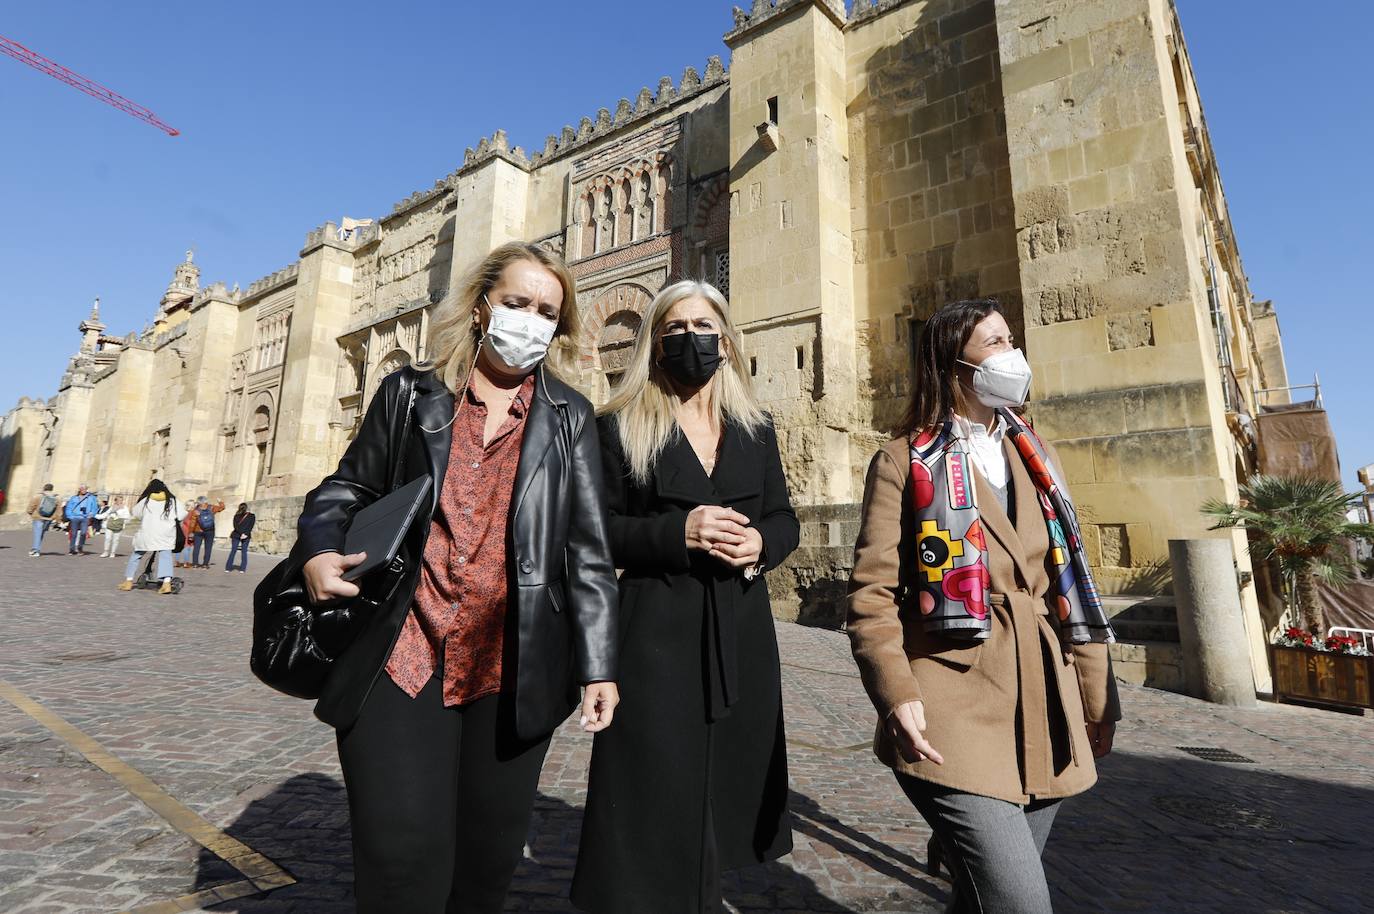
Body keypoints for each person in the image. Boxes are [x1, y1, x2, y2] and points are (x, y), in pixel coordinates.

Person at [284, 241, 619, 913]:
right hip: (402, 653)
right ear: (479, 307)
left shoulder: (569, 417)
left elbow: (587, 549)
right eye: (517, 303)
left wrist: (599, 664)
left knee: (485, 866)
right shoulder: (412, 396)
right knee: (401, 856)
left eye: (546, 311)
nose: (530, 321)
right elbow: (345, 487)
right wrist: (318, 550)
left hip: (514, 664)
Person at [846, 299, 1121, 914]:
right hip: (954, 701)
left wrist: (1097, 697)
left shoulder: (1036, 455)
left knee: (982, 900)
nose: (1012, 354)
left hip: (1046, 702)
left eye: (1010, 339)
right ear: (955, 364)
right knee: (1021, 902)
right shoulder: (902, 461)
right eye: (995, 343)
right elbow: (872, 593)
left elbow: (1070, 579)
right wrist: (897, 693)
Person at [572, 280, 799, 913]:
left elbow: (785, 519)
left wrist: (762, 546)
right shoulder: (618, 426)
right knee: (650, 794)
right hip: (653, 636)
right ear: (653, 342)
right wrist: (678, 531)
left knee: (723, 792)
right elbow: (593, 533)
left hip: (741, 636)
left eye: (702, 327)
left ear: (725, 341)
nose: (688, 339)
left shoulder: (755, 427)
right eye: (673, 329)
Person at [120, 479, 187, 595]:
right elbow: (182, 514)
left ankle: (128, 581)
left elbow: (136, 513)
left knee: (137, 555)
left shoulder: (146, 500)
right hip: (165, 533)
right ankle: (166, 583)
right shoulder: (172, 501)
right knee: (165, 556)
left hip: (148, 533)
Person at [191, 496, 226, 568]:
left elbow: (193, 522)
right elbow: (222, 508)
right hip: (210, 531)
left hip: (198, 531)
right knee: (208, 548)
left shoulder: (196, 510)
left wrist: (191, 532)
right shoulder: (211, 507)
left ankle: (195, 564)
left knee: (196, 548)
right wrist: (220, 501)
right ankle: (205, 564)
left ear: (198, 502)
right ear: (206, 501)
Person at [64, 484, 100, 555]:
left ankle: (80, 548)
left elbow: (95, 507)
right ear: (79, 489)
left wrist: (91, 515)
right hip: (75, 517)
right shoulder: (74, 498)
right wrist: (70, 516)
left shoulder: (91, 498)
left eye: (85, 489)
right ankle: (72, 549)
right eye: (82, 489)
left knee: (83, 533)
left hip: (85, 518)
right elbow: (69, 507)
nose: (84, 490)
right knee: (73, 534)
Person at [27, 483, 59, 556]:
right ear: (52, 489)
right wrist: (57, 519)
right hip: (49, 518)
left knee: (37, 534)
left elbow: (31, 506)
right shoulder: (56, 497)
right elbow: (59, 510)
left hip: (38, 517)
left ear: (44, 488)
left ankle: (36, 550)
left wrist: (30, 512)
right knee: (41, 534)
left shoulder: (38, 496)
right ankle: (35, 548)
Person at [225, 503, 255, 573]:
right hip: (246, 536)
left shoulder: (236, 516)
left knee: (233, 551)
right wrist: (245, 534)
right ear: (247, 508)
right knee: (244, 552)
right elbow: (251, 526)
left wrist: (241, 533)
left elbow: (235, 526)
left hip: (236, 535)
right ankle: (242, 569)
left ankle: (228, 568)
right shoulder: (252, 516)